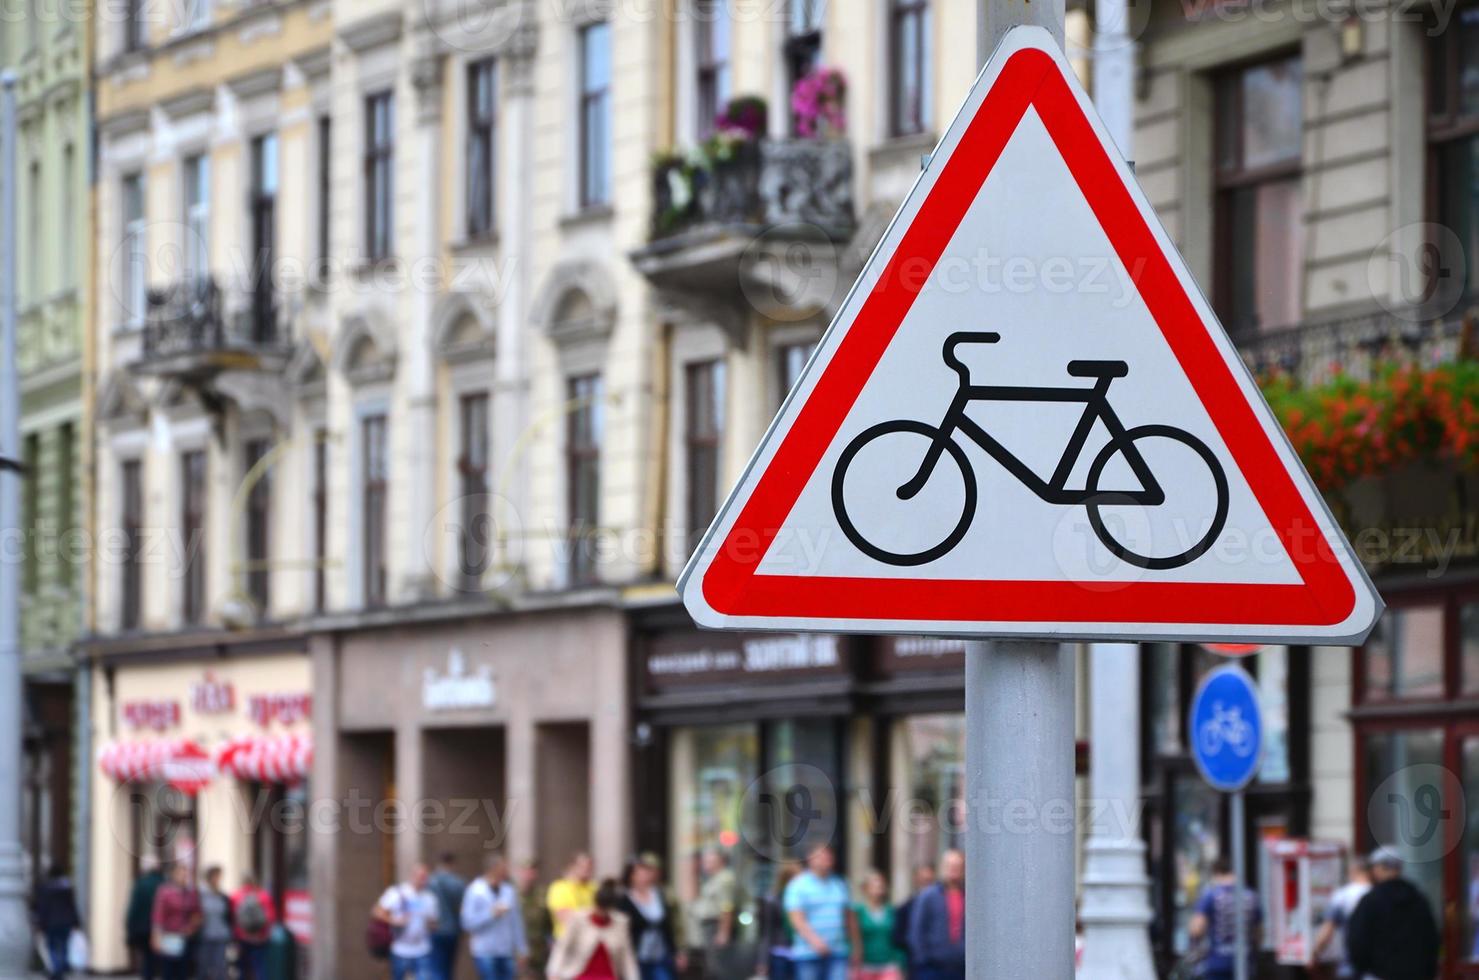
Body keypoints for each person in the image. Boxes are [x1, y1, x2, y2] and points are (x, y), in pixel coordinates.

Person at [1346, 847, 1440, 980]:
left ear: (1379, 868)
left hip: (1379, 974)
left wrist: (1361, 970)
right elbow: (1432, 940)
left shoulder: (1371, 901)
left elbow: (1357, 941)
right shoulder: (1418, 899)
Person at [784, 844, 859, 980]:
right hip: (808, 954)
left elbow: (850, 917)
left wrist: (856, 946)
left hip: (838, 951)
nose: (826, 859)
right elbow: (796, 919)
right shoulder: (798, 885)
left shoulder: (840, 884)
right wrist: (815, 942)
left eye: (828, 856)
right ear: (810, 859)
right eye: (821, 856)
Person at [547, 879, 640, 980]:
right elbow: (563, 947)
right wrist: (553, 972)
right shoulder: (578, 920)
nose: (602, 913)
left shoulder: (620, 923)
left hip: (608, 975)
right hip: (581, 974)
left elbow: (627, 956)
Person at [1186, 857, 1261, 980]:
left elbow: (1197, 928)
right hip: (1245, 961)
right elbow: (1258, 933)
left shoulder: (1211, 895)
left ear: (1216, 873)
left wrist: (1195, 949)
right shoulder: (1251, 896)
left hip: (1217, 962)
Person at [619, 853, 685, 980]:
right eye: (641, 872)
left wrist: (678, 951)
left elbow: (671, 925)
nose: (646, 875)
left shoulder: (661, 894)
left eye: (647, 871)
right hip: (637, 955)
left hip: (661, 954)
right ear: (632, 876)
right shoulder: (624, 900)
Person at [462, 854, 528, 980]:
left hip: (506, 950)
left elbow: (516, 921)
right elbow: (467, 922)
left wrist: (522, 948)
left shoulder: (509, 891)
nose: (506, 871)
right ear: (493, 869)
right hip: (485, 950)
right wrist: (490, 914)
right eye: (503, 868)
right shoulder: (475, 890)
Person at [376, 862, 441, 980]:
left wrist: (431, 924)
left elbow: (434, 923)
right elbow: (378, 911)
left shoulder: (430, 898)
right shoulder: (397, 893)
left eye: (425, 877)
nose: (423, 880)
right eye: (421, 877)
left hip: (422, 949)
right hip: (400, 949)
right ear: (413, 876)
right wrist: (394, 920)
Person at [907, 850, 965, 980]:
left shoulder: (970, 897)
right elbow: (916, 930)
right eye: (950, 866)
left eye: (957, 866)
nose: (953, 870)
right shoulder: (928, 896)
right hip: (933, 968)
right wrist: (922, 958)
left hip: (962, 968)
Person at [1313, 856, 1370, 979]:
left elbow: (1327, 929)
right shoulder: (1377, 893)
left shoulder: (1342, 896)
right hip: (1376, 968)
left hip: (1349, 963)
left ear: (1353, 872)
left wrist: (1316, 953)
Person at [693, 849, 740, 979]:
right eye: (705, 861)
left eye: (710, 861)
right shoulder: (713, 878)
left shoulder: (724, 879)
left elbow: (727, 907)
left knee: (719, 967)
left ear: (721, 861)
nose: (706, 864)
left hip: (716, 925)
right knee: (712, 966)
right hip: (710, 926)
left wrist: (723, 932)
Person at [151, 862, 202, 980]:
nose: (184, 876)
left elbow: (197, 912)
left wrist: (192, 926)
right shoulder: (165, 891)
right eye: (180, 873)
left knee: (183, 971)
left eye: (185, 873)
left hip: (185, 936)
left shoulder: (191, 892)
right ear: (173, 875)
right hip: (169, 936)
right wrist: (156, 935)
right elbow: (158, 915)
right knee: (168, 970)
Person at [33, 863, 81, 980]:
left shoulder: (46, 888)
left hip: (51, 922)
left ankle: (57, 969)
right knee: (64, 945)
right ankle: (62, 966)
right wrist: (76, 921)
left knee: (52, 946)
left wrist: (41, 923)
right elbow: (71, 906)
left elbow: (43, 907)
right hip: (66, 922)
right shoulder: (67, 887)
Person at [854, 870, 904, 980]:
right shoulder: (858, 912)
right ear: (865, 888)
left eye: (880, 886)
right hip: (865, 967)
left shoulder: (891, 911)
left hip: (888, 966)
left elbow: (896, 940)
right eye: (873, 886)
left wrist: (900, 966)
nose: (878, 889)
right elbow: (853, 940)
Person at [756, 861, 802, 980]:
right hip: (780, 952)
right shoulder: (773, 900)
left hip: (802, 952)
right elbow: (767, 932)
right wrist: (763, 960)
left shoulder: (804, 899)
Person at [428, 851, 468, 980]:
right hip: (453, 930)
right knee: (449, 967)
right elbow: (463, 908)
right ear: (452, 864)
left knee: (436, 966)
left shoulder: (430, 881)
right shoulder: (459, 883)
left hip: (435, 929)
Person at [126, 857, 166, 980]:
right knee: (164, 960)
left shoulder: (141, 884)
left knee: (147, 960)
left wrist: (129, 926)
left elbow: (134, 908)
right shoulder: (164, 883)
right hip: (163, 928)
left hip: (144, 928)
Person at [231, 871, 277, 980]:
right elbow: (271, 917)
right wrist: (264, 933)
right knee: (260, 967)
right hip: (260, 938)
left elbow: (233, 918)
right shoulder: (263, 895)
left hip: (241, 937)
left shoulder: (236, 896)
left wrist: (236, 935)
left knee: (242, 968)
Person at [890, 863, 935, 972]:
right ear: (916, 880)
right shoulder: (905, 908)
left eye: (929, 881)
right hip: (916, 963)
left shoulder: (942, 906)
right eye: (923, 880)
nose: (926, 886)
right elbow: (898, 937)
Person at [548, 852, 597, 941]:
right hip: (567, 940)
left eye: (589, 867)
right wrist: (592, 913)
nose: (587, 870)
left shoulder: (595, 888)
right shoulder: (559, 887)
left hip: (590, 940)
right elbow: (565, 917)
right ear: (572, 867)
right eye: (582, 866)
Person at [195, 866, 233, 980]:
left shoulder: (223, 896)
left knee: (220, 967)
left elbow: (227, 916)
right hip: (205, 936)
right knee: (203, 967)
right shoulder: (201, 895)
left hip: (221, 935)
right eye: (216, 876)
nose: (219, 879)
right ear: (210, 878)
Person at [518, 859, 552, 977]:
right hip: (520, 950)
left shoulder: (543, 893)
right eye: (526, 871)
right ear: (520, 872)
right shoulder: (512, 894)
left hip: (540, 949)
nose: (529, 875)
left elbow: (549, 922)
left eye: (532, 871)